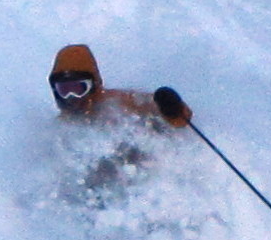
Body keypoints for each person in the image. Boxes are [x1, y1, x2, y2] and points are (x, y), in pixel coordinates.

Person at [49, 43, 181, 193]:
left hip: (143, 183)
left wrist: (172, 108)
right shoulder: (62, 127)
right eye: (64, 90)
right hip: (100, 195)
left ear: (94, 84)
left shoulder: (120, 103)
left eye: (78, 89)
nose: (71, 97)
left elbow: (178, 119)